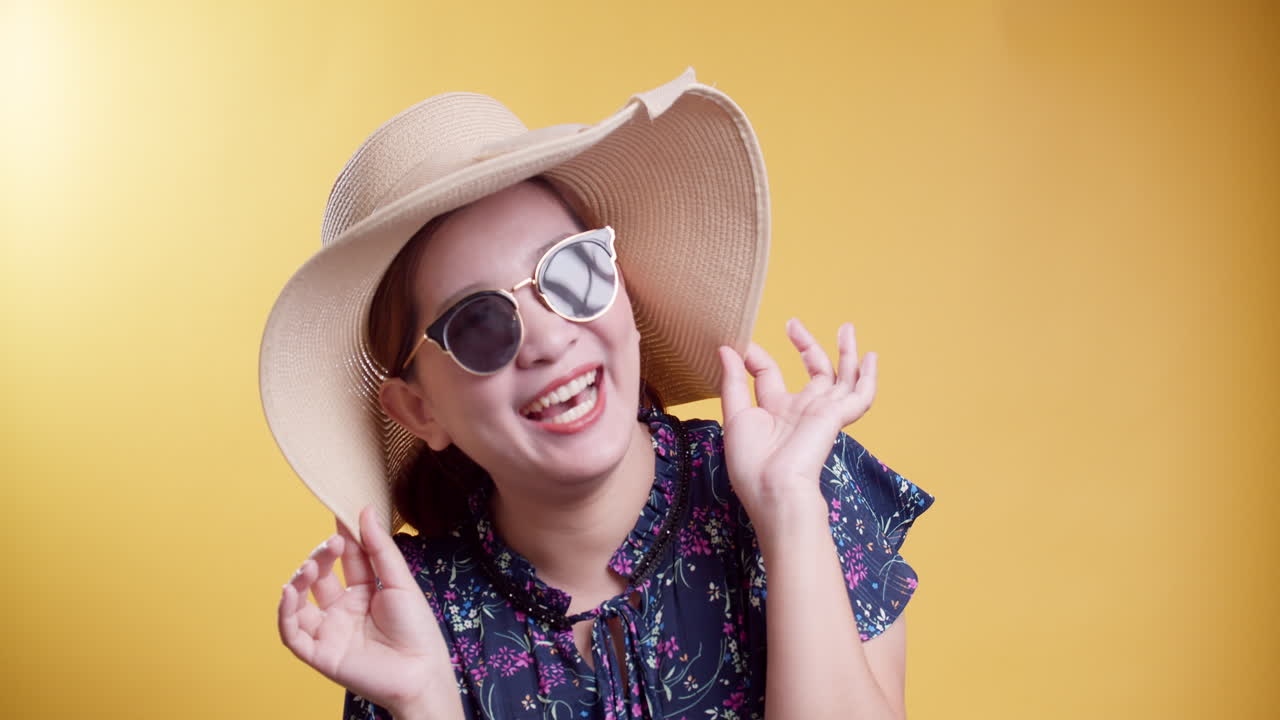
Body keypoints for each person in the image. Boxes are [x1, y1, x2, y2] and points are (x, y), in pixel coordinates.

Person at [261, 69, 933, 720]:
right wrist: (424, 704)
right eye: (480, 323)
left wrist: (789, 514)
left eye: (573, 270)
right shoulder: (405, 613)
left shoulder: (806, 484)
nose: (550, 341)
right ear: (419, 410)